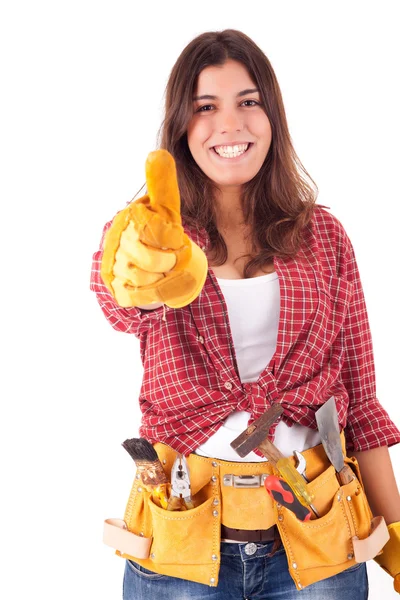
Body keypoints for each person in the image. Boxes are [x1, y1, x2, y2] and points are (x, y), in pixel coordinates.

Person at [91, 29, 400, 599]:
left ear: (272, 117)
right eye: (205, 107)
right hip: (180, 550)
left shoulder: (323, 238)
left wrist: (397, 540)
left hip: (319, 541)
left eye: (248, 102)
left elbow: (360, 403)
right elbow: (119, 304)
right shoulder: (149, 238)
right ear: (181, 126)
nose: (229, 125)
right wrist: (135, 269)